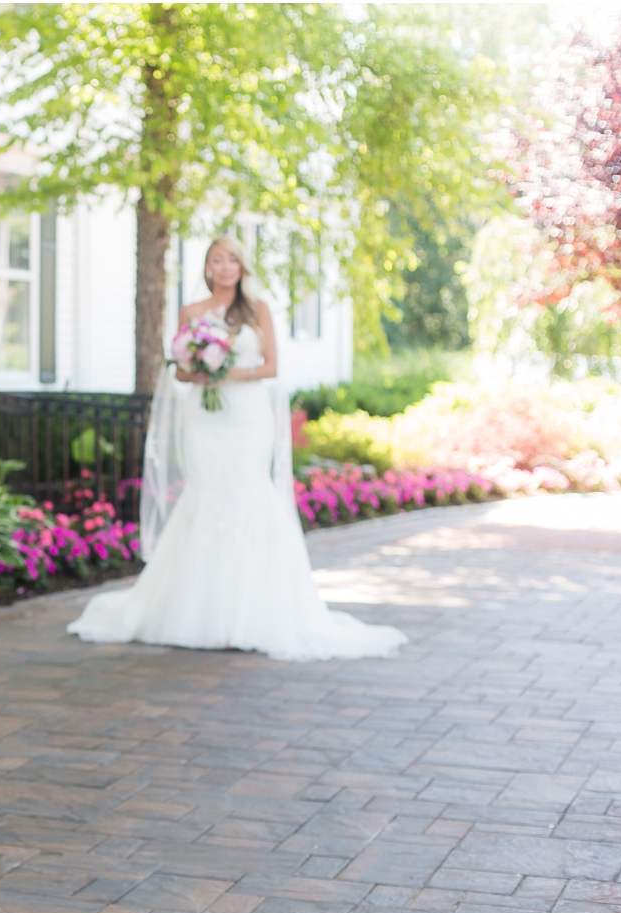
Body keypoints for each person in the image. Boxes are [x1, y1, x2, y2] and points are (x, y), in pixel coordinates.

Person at [67, 234, 407, 661]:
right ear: (207, 268)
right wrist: (198, 368)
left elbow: (272, 366)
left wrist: (229, 372)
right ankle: (195, 613)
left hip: (246, 416)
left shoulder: (257, 309)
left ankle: (251, 612)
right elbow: (181, 374)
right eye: (217, 260)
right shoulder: (191, 312)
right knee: (206, 494)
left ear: (242, 267)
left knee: (248, 492)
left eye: (232, 260)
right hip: (204, 419)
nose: (225, 267)